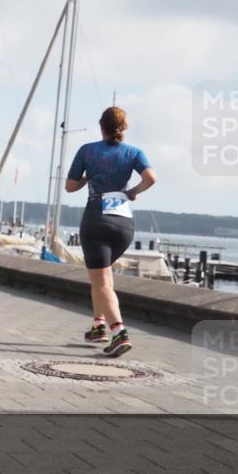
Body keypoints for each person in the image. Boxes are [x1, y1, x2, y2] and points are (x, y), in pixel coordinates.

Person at [65, 106, 156, 357]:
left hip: (96, 218)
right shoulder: (134, 152)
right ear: (123, 128)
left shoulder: (87, 150)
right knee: (103, 278)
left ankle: (119, 332)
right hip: (124, 224)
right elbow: (151, 178)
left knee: (101, 280)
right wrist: (133, 192)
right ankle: (98, 326)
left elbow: (70, 186)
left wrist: (85, 179)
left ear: (101, 127)